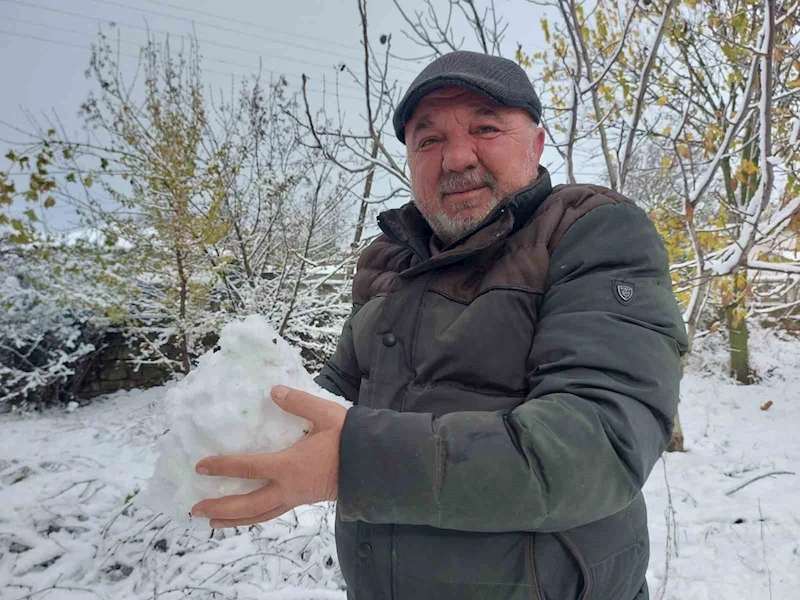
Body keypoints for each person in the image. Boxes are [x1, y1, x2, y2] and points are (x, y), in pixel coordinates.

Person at [191, 51, 689, 600]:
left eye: (485, 127)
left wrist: (354, 463)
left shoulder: (588, 232)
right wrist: (238, 422)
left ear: (538, 144)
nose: (455, 157)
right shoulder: (388, 263)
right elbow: (335, 393)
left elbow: (599, 443)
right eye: (428, 140)